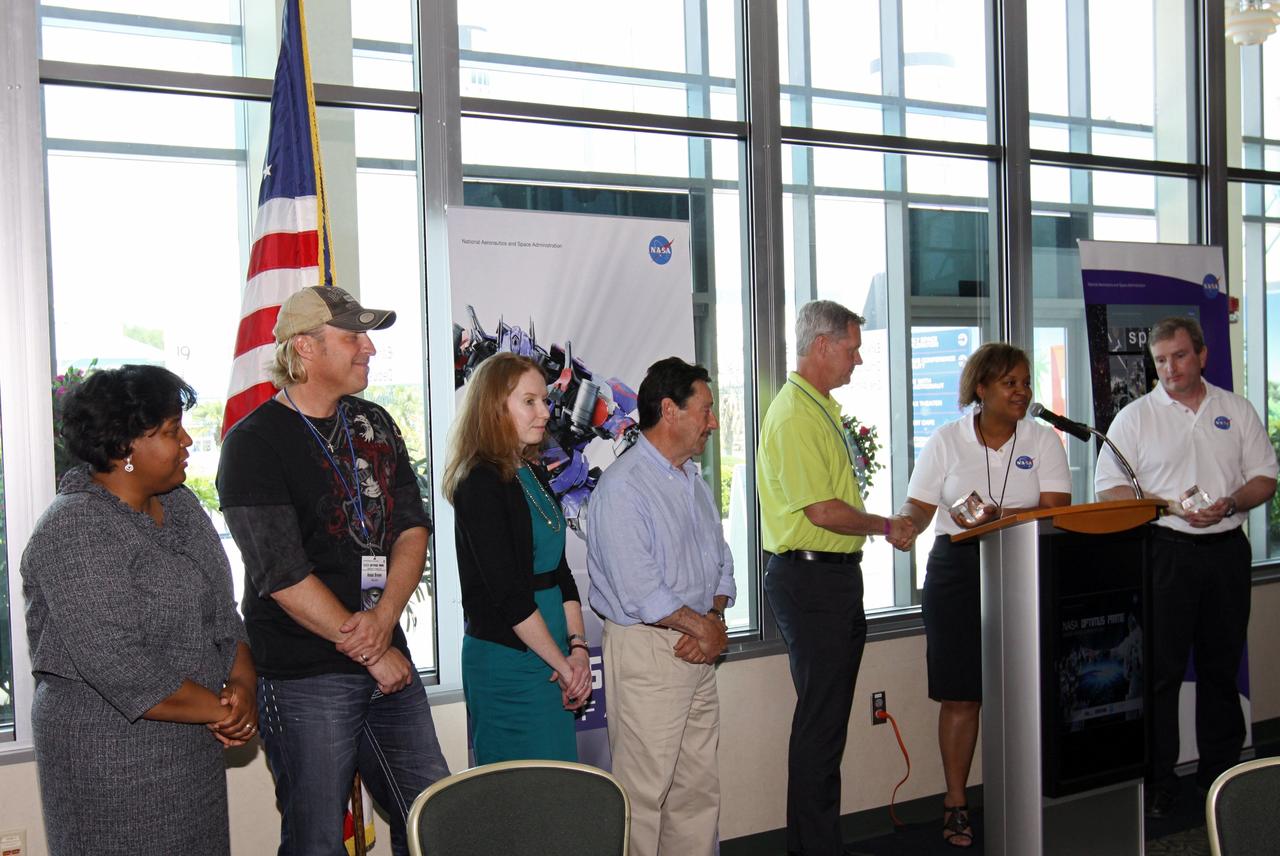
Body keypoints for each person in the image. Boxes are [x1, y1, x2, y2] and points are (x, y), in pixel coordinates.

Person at [216, 285, 449, 855]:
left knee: (437, 821)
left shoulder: (373, 422)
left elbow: (412, 529)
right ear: (305, 348)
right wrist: (373, 648)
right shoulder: (253, 444)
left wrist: (385, 620)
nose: (369, 348)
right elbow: (282, 575)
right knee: (318, 840)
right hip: (304, 677)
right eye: (353, 337)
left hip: (386, 660)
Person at [22, 364, 256, 856]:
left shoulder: (181, 506)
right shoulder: (74, 530)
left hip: (192, 744)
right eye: (172, 430)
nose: (188, 440)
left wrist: (243, 686)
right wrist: (223, 710)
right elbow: (119, 666)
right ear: (124, 447)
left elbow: (223, 613)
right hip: (108, 759)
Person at [1094, 316, 1277, 818]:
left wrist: (1232, 502)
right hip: (1165, 551)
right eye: (1159, 361)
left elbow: (1265, 478)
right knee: (1159, 672)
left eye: (1178, 356)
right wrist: (1168, 506)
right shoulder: (1134, 417)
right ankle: (1158, 781)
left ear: (1201, 355)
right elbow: (1108, 488)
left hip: (1225, 552)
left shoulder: (1234, 409)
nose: (1169, 369)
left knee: (1221, 667)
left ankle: (1220, 776)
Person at [756, 300, 916, 856]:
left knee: (826, 727)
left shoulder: (818, 405)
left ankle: (819, 842)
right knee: (821, 730)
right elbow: (821, 511)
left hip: (832, 579)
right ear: (822, 346)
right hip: (812, 580)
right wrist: (885, 525)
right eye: (852, 348)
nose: (859, 359)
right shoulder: (796, 415)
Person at [895, 343, 1071, 847]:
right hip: (956, 570)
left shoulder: (1043, 438)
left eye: (1025, 382)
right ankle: (956, 803)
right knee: (961, 693)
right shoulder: (947, 440)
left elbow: (1057, 507)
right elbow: (920, 502)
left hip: (1024, 564)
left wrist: (1004, 519)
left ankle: (1028, 795)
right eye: (1010, 383)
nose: (1022, 391)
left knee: (1027, 688)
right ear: (981, 388)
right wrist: (906, 524)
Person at [585, 357, 735, 856]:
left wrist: (711, 621)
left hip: (696, 647)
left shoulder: (692, 481)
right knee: (643, 795)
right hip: (650, 651)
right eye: (706, 410)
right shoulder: (624, 486)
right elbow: (639, 590)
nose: (712, 422)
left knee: (696, 791)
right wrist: (704, 629)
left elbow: (722, 563)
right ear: (670, 410)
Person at [443, 352, 592, 763]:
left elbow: (559, 571)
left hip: (553, 655)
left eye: (544, 400)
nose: (545, 411)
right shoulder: (478, 481)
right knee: (523, 802)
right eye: (530, 401)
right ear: (494, 408)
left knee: (559, 791)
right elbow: (509, 595)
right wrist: (563, 665)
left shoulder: (532, 470)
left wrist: (577, 649)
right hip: (509, 663)